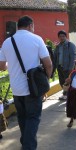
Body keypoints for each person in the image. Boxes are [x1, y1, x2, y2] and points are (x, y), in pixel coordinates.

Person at [0, 16, 52, 150]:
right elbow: (48, 64)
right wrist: (46, 82)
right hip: (33, 89)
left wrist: (10, 66)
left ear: (18, 26)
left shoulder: (7, 42)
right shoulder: (36, 39)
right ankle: (28, 147)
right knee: (33, 118)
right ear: (30, 26)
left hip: (16, 89)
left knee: (22, 118)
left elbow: (1, 65)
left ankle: (25, 143)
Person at [54, 30, 76, 100]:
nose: (62, 38)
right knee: (61, 82)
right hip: (60, 67)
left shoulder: (70, 45)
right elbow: (55, 57)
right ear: (58, 37)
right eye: (60, 36)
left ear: (66, 37)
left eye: (63, 36)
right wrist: (54, 67)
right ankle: (66, 94)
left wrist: (71, 68)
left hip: (68, 67)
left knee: (67, 81)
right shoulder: (57, 47)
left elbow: (73, 57)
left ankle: (67, 94)